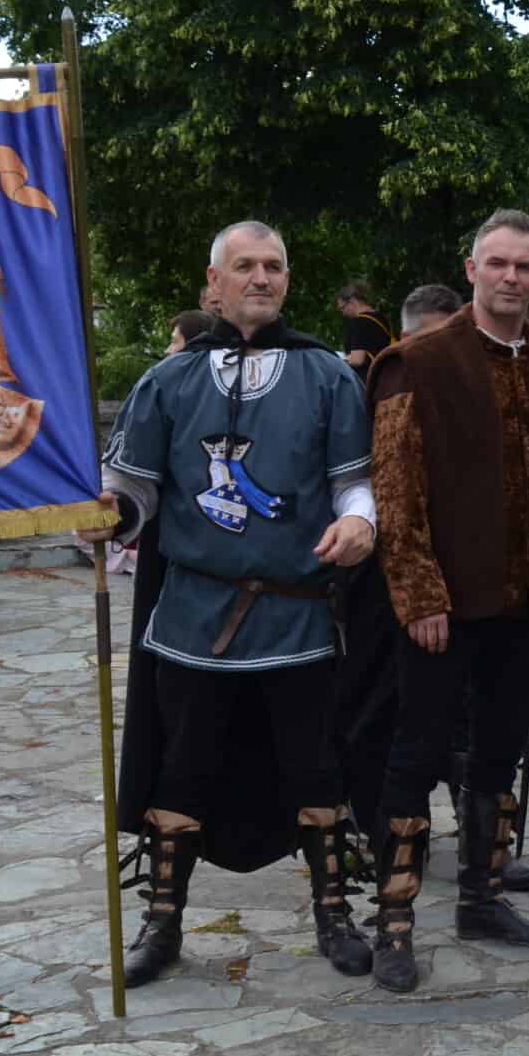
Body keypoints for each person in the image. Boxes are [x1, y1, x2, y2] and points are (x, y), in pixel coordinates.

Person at [89, 221, 379, 987]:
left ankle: (334, 914)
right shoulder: (169, 380)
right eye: (244, 265)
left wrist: (361, 522)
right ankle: (162, 922)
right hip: (192, 615)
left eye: (273, 265)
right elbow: (135, 488)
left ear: (287, 280)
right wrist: (111, 514)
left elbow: (354, 482)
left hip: (297, 615)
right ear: (214, 283)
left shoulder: (328, 376)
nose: (261, 277)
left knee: (316, 768)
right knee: (181, 768)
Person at [363, 210, 529, 990]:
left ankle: (482, 898)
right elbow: (395, 488)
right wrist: (419, 592)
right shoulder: (417, 361)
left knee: (499, 751)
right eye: (498, 263)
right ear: (471, 269)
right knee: (416, 754)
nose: (510, 277)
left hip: (522, 602)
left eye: (524, 267)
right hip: (441, 607)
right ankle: (393, 921)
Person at [339, 281, 392, 379]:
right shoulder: (381, 318)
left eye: (343, 308)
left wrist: (338, 360)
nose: (343, 313)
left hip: (367, 381)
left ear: (352, 301)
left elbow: (357, 360)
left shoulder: (359, 322)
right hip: (385, 376)